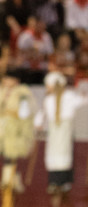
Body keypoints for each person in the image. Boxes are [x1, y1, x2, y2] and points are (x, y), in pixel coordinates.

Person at [34, 71, 87, 199]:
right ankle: (56, 181)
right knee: (56, 153)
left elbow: (82, 100)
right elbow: (42, 114)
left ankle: (61, 182)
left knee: (63, 152)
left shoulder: (67, 96)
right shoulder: (51, 99)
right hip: (56, 130)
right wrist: (39, 123)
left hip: (64, 129)